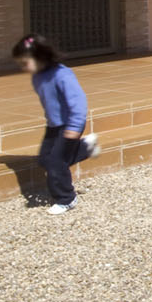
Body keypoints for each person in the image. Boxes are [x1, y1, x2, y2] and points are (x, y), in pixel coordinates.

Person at [12, 34, 100, 215]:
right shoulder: (38, 77)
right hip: (53, 125)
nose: (22, 68)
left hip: (70, 124)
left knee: (56, 161)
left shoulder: (62, 75)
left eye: (25, 63)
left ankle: (67, 198)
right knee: (45, 158)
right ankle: (86, 147)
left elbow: (78, 102)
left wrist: (74, 127)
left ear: (40, 57)